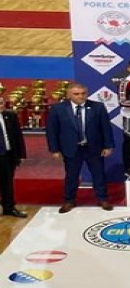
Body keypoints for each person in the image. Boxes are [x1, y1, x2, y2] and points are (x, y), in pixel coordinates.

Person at [46, 83, 115, 213]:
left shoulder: (98, 107)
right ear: (68, 95)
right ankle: (69, 200)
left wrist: (108, 145)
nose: (80, 96)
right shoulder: (58, 109)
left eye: (83, 93)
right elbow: (52, 131)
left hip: (93, 148)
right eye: (76, 94)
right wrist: (54, 149)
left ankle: (103, 199)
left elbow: (105, 128)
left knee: (99, 175)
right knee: (71, 176)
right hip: (71, 149)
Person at [0, 107, 27, 218]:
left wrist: (21, 154)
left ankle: (9, 208)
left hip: (7, 155)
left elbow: (18, 136)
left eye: (1, 102)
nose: (1, 105)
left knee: (7, 182)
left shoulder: (10, 116)